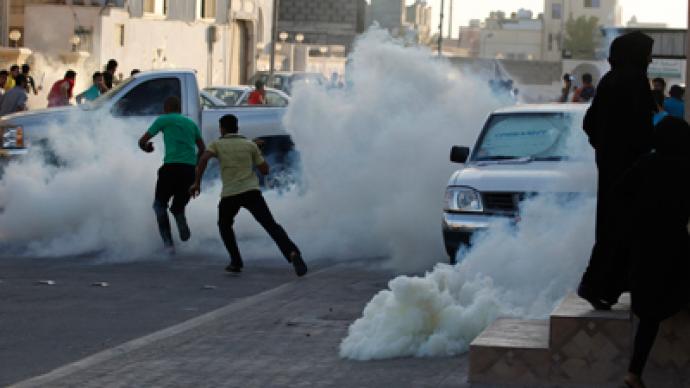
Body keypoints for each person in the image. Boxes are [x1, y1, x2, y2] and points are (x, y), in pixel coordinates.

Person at [577, 31, 655, 310]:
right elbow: (643, 129)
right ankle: (597, 285)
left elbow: (589, 123)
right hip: (631, 167)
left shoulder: (610, 80)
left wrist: (605, 147)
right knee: (626, 227)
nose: (650, 58)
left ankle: (605, 288)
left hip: (611, 166)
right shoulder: (635, 82)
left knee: (613, 226)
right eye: (647, 53)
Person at [615, 117, 690, 388]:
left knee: (649, 316)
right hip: (675, 245)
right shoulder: (685, 168)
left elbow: (620, 193)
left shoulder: (645, 164)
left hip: (644, 246)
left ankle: (634, 372)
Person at [189, 114, 307, 276]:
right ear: (237, 128)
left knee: (224, 225)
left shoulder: (217, 144)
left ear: (222, 129)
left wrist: (197, 182)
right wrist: (256, 153)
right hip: (252, 192)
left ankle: (236, 261)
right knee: (271, 225)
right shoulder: (249, 145)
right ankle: (293, 253)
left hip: (230, 194)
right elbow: (265, 170)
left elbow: (203, 159)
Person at [138, 96, 206, 252]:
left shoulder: (164, 120)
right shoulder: (191, 124)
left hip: (171, 169)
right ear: (179, 109)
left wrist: (147, 148)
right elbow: (202, 149)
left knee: (159, 205)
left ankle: (168, 244)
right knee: (177, 206)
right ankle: (178, 212)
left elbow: (142, 141)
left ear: (166, 108)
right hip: (189, 170)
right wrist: (194, 163)